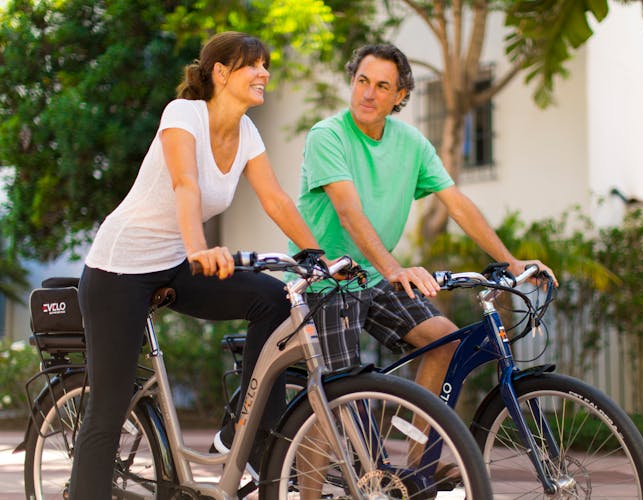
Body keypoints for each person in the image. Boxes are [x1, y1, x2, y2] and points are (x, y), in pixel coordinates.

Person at [69, 32, 334, 498]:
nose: (264, 73)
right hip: (120, 269)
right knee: (108, 409)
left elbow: (274, 198)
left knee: (272, 299)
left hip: (174, 262)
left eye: (265, 65)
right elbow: (185, 184)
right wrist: (198, 247)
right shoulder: (183, 115)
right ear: (221, 72)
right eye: (253, 65)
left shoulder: (247, 132)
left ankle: (249, 438)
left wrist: (317, 257)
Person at [290, 43, 558, 406]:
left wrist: (512, 263)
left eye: (382, 86)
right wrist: (395, 269)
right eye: (362, 81)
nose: (368, 94)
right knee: (341, 402)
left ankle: (419, 462)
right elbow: (348, 212)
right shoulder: (329, 135)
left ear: (400, 95)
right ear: (352, 81)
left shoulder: (411, 143)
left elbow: (457, 205)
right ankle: (321, 463)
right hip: (326, 282)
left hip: (371, 274)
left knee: (444, 341)